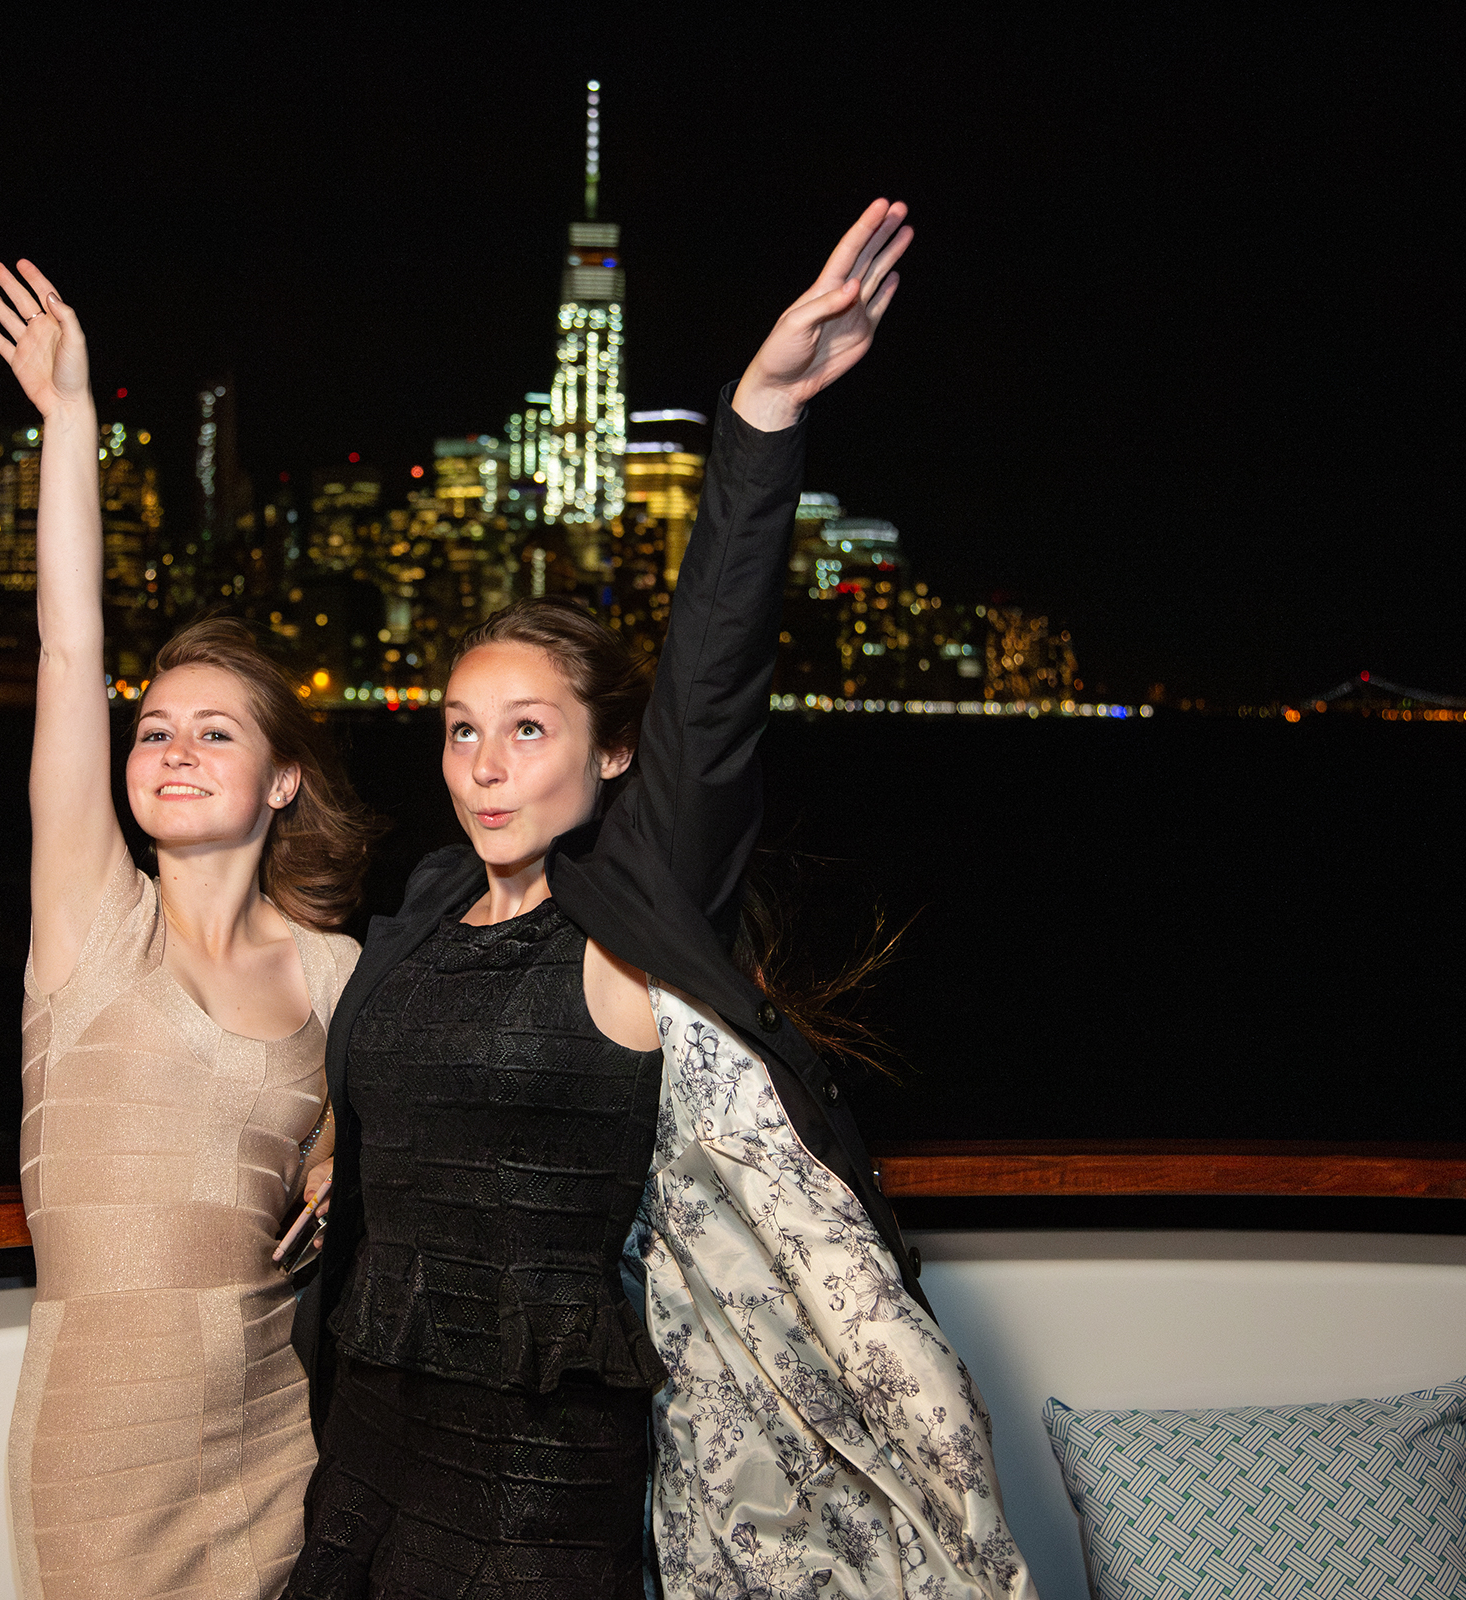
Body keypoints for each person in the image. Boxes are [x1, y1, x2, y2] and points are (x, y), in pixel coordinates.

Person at [289, 201, 1034, 1598]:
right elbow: (392, 1101)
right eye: (459, 727)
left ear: (613, 752)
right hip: (367, 1440)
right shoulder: (430, 904)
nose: (484, 763)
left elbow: (711, 680)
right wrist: (345, 1147)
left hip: (533, 1491)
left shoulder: (626, 909)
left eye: (528, 729)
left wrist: (760, 414)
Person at [0, 260, 373, 1600]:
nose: (174, 748)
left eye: (218, 733)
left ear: (281, 783)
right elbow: (67, 649)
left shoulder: (338, 974)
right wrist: (71, 421)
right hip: (100, 1459)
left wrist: (349, 1159)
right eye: (157, 729)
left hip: (278, 1436)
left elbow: (417, 1121)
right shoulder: (92, 921)